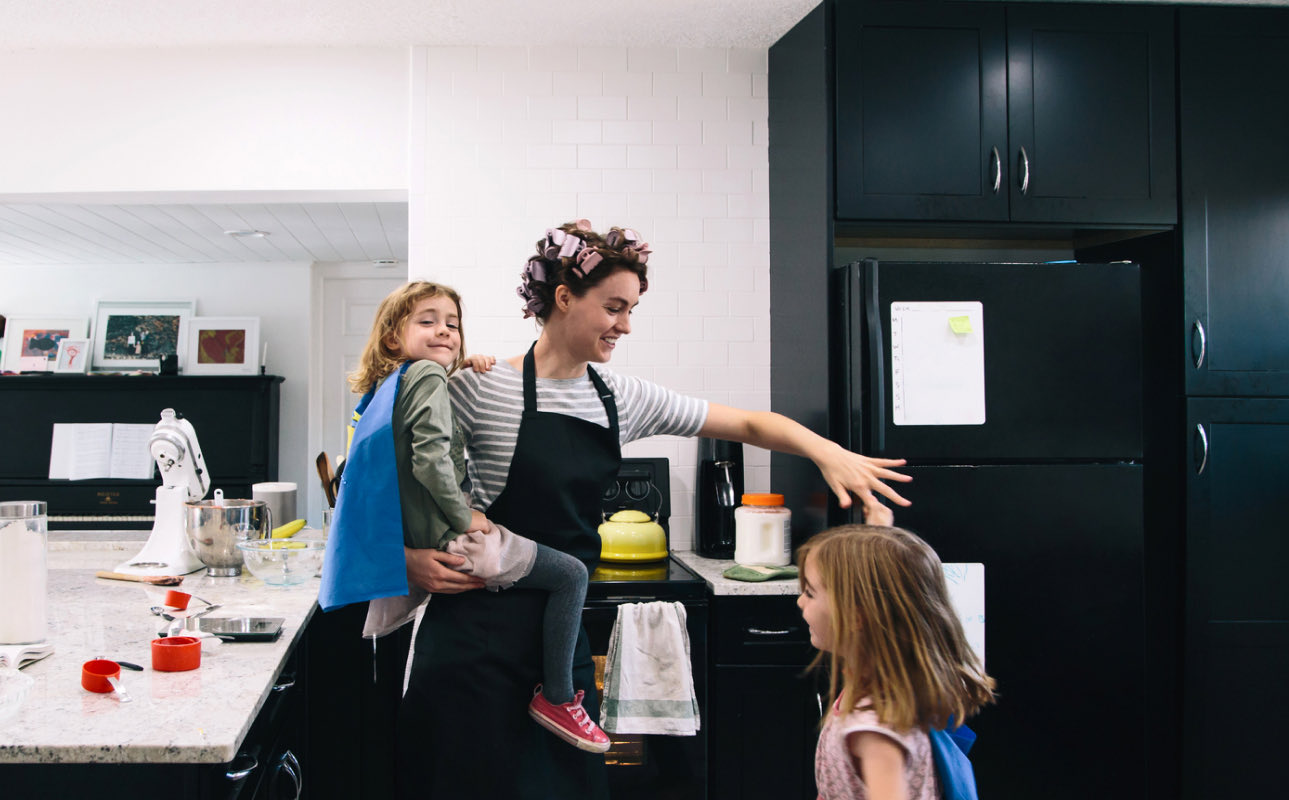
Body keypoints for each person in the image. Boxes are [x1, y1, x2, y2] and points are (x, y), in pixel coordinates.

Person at [397, 219, 913, 799]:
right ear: (564, 298)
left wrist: (825, 450)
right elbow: (378, 483)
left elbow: (744, 423)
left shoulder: (620, 398)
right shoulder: (478, 387)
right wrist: (407, 561)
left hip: (556, 651)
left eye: (632, 308)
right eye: (614, 307)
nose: (626, 325)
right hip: (474, 642)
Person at [333, 280, 610, 753]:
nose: (444, 331)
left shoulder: (396, 384)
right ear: (392, 338)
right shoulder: (426, 377)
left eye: (452, 324)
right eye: (428, 321)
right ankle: (560, 700)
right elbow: (432, 459)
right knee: (570, 574)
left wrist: (461, 364)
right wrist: (465, 517)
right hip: (456, 540)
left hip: (432, 546)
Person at [796, 523, 996, 800]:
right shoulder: (884, 682)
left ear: (856, 617)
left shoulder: (875, 728)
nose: (799, 601)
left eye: (810, 593)